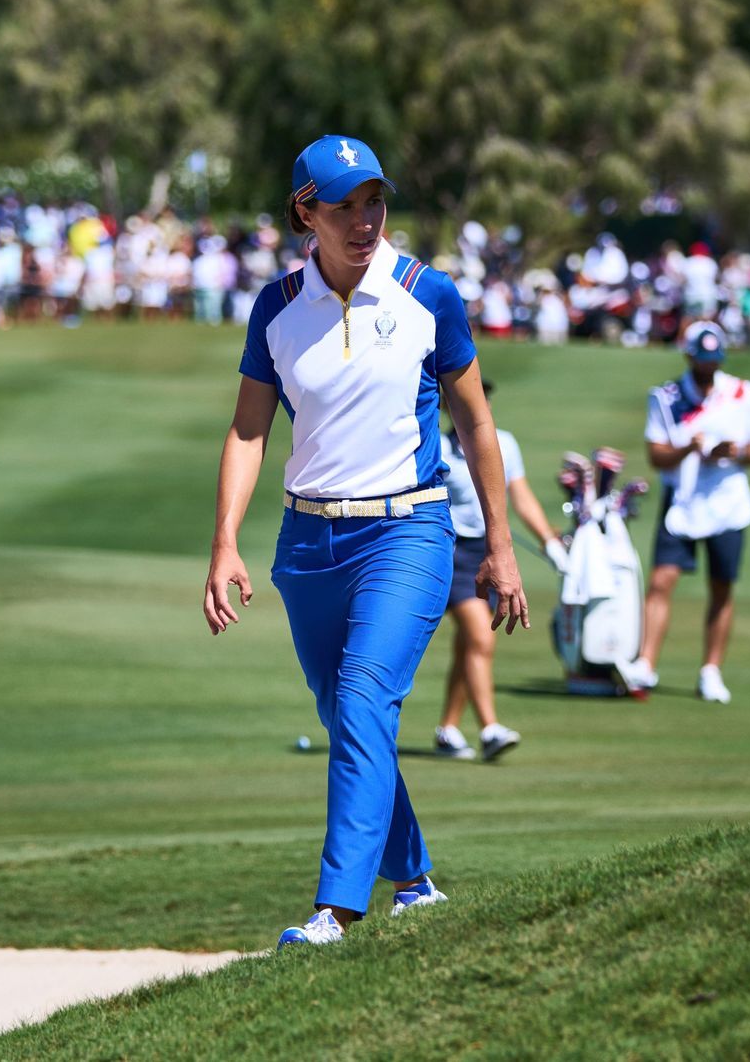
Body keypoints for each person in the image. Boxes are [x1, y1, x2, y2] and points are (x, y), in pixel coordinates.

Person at [202, 135, 527, 947]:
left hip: (408, 530)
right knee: (351, 716)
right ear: (304, 213)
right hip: (308, 545)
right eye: (343, 205)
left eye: (374, 200)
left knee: (362, 700)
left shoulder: (427, 293)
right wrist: (225, 542)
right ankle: (415, 883)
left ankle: (336, 910)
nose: (364, 220)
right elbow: (248, 431)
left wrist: (501, 543)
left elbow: (476, 423)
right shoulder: (276, 307)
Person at [626, 321, 750, 703]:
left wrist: (733, 452)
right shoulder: (666, 397)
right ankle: (646, 663)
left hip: (728, 504)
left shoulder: (741, 392)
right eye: (702, 359)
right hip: (682, 500)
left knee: (721, 586)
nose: (709, 366)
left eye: (714, 359)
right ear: (689, 356)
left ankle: (711, 671)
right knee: (662, 580)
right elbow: (657, 456)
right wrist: (691, 448)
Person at [434, 378, 569, 762]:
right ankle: (490, 729)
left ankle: (447, 729)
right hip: (451, 552)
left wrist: (549, 541)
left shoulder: (504, 444)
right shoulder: (438, 447)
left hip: (489, 553)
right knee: (481, 637)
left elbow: (521, 498)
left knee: (469, 643)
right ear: (447, 409)